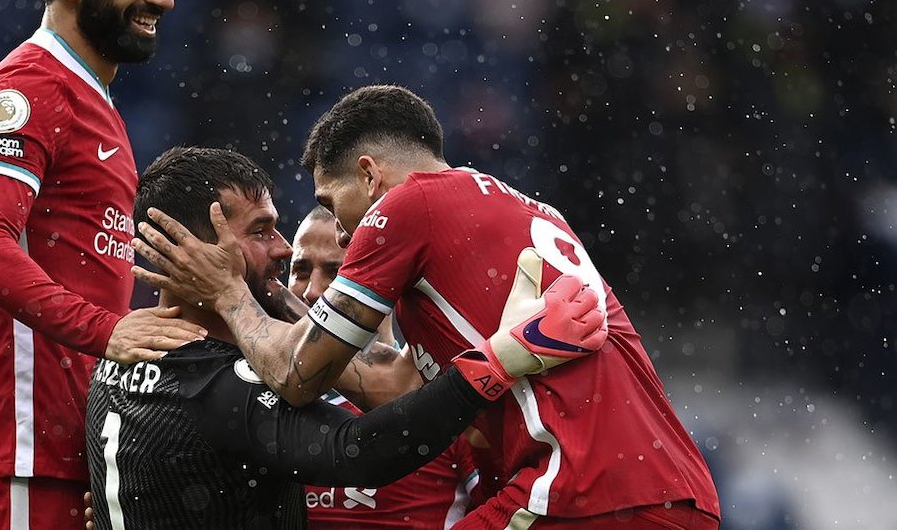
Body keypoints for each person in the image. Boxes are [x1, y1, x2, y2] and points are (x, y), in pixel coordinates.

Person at [133, 84, 722, 528]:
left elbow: (295, 376)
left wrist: (231, 293)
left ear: (368, 175)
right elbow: (401, 388)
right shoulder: (524, 209)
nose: (340, 232)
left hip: (579, 485)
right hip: (670, 488)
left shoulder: (406, 208)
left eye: (329, 201)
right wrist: (278, 300)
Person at [86, 146, 606, 528]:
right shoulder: (224, 386)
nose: (283, 249)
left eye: (339, 272)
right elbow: (360, 451)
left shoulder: (126, 361)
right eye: (262, 231)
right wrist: (498, 360)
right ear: (194, 249)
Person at [0, 0, 208, 530]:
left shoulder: (97, 103)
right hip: (18, 441)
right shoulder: (28, 93)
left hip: (70, 447)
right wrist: (109, 330)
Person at [288, 206, 480, 528]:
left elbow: (512, 508)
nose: (312, 290)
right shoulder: (262, 395)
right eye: (301, 270)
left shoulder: (448, 386)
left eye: (336, 272)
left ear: (387, 281)